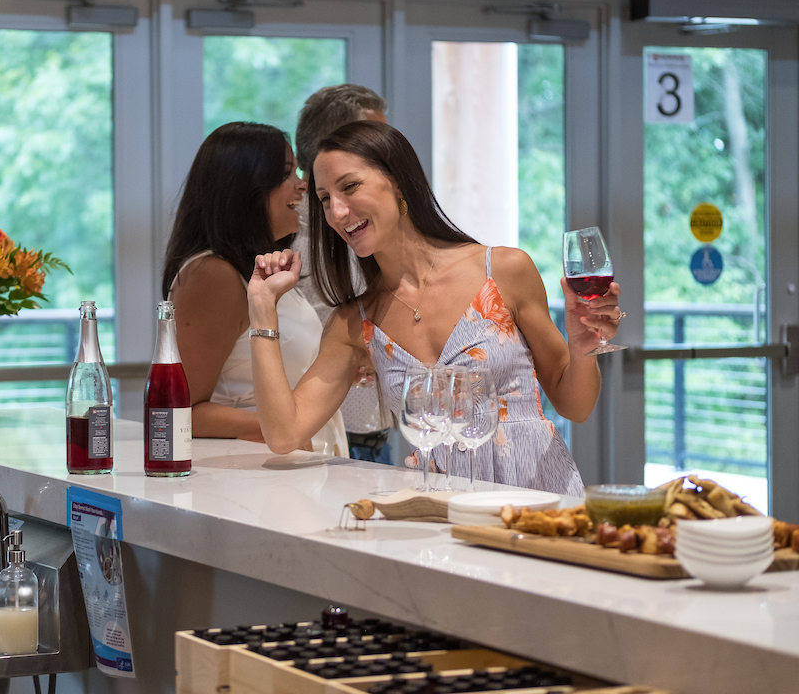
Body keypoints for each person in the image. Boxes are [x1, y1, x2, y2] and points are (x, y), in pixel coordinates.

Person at [247, 121, 623, 496]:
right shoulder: (354, 323)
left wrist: (582, 349)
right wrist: (262, 309)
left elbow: (576, 406)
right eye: (325, 199)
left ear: (398, 181)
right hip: (441, 521)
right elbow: (283, 435)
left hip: (539, 504)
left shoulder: (502, 271)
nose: (338, 211)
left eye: (349, 187)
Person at [163, 122, 348, 456]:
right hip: (253, 474)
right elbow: (178, 411)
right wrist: (279, 429)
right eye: (288, 174)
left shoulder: (255, 269)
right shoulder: (213, 275)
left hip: (292, 468)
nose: (302, 186)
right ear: (247, 187)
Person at [294, 85, 390, 464]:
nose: (389, 152)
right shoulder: (299, 238)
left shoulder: (374, 223)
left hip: (371, 433)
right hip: (326, 436)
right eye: (377, 141)